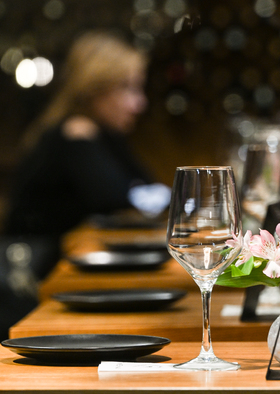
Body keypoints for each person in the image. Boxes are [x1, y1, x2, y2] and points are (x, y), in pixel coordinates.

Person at [0, 31, 165, 339]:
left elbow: (145, 188)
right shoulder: (76, 133)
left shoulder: (100, 134)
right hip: (26, 278)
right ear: (94, 89)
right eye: (128, 89)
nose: (139, 103)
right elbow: (118, 197)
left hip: (51, 267)